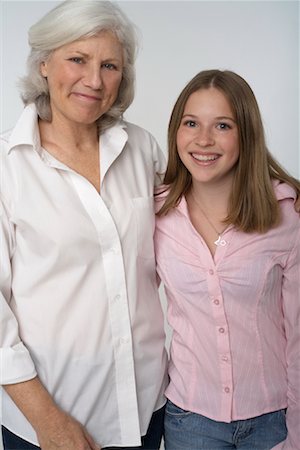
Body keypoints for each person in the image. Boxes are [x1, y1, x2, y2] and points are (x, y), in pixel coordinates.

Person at [0, 1, 169, 449]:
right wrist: (47, 420)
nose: (94, 80)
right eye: (78, 59)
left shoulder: (142, 149)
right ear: (43, 63)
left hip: (148, 409)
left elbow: (195, 224)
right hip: (49, 421)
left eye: (109, 65)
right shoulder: (6, 166)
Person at [154, 70, 300, 450]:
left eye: (222, 125)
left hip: (275, 420)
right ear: (176, 130)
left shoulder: (287, 216)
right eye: (191, 123)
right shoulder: (153, 213)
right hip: (190, 421)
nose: (203, 140)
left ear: (246, 134)